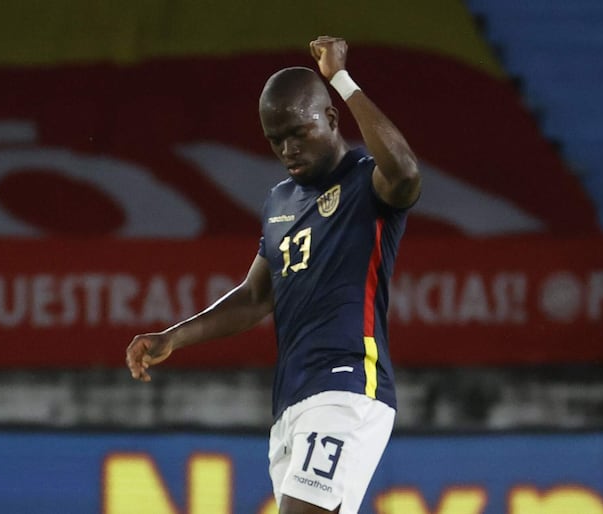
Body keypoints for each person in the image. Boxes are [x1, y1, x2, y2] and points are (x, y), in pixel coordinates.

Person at [126, 35, 421, 514]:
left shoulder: (368, 183)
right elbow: (255, 295)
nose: (286, 148)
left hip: (347, 386)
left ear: (329, 118)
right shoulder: (280, 201)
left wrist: (340, 79)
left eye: (297, 133)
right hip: (292, 402)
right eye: (274, 139)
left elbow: (406, 171)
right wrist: (174, 337)